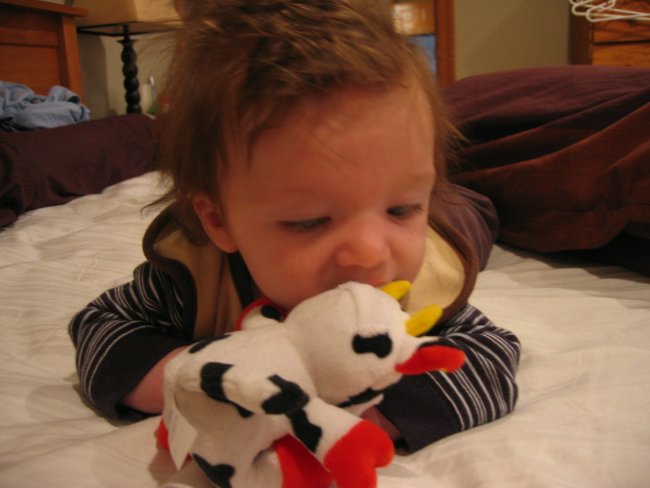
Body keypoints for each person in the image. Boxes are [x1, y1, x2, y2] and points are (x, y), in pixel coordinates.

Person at [69, 0, 520, 454]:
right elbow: (99, 327)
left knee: (471, 213)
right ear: (219, 220)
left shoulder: (421, 287)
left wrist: (365, 417)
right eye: (309, 221)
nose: (369, 253)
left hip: (449, 218)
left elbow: (489, 356)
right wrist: (202, 376)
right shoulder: (194, 277)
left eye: (401, 209)